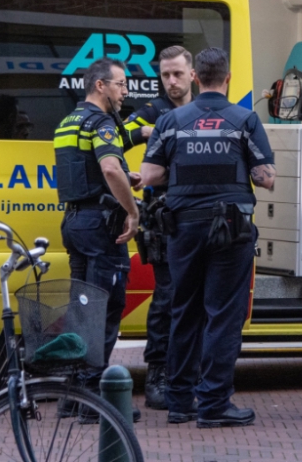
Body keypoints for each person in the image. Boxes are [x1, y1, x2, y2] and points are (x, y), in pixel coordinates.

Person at [140, 47, 276, 428]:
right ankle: (214, 402)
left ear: (196, 77)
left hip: (182, 227)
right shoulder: (245, 119)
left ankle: (180, 401)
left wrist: (183, 169)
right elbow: (266, 178)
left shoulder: (171, 121)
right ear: (227, 78)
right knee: (223, 314)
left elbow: (149, 175)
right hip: (231, 229)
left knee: (184, 311)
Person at [54, 57, 141, 419]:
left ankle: (71, 395)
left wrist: (124, 175)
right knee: (104, 308)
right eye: (121, 84)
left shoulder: (68, 121)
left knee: (80, 309)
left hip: (74, 222)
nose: (125, 92)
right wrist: (132, 211)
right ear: (100, 85)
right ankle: (94, 402)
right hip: (100, 227)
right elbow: (108, 167)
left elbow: (87, 169)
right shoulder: (102, 123)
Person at [120, 45, 196, 411]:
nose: (171, 81)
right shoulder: (155, 110)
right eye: (165, 75)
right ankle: (159, 373)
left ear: (193, 74)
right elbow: (118, 134)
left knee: (199, 298)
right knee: (166, 297)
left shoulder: (206, 110)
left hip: (201, 214)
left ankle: (192, 373)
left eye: (178, 74)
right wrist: (153, 131)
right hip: (165, 215)